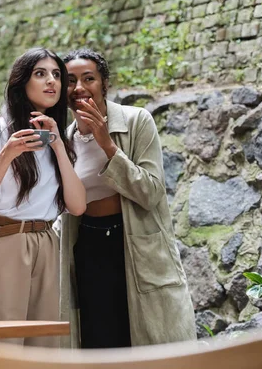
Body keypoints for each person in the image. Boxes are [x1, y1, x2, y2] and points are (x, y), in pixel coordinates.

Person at [59, 48, 196, 349]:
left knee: (149, 340)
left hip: (133, 243)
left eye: (89, 78)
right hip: (87, 247)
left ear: (104, 83)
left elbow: (151, 192)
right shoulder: (63, 141)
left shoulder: (137, 122)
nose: (79, 88)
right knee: (99, 340)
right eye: (70, 81)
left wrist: (107, 144)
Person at [0, 47, 87, 348]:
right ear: (22, 83)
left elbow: (78, 205)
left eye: (57, 75)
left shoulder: (60, 141)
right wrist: (7, 155)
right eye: (40, 74)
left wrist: (57, 145)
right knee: (3, 348)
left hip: (46, 244)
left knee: (45, 349)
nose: (51, 82)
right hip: (4, 241)